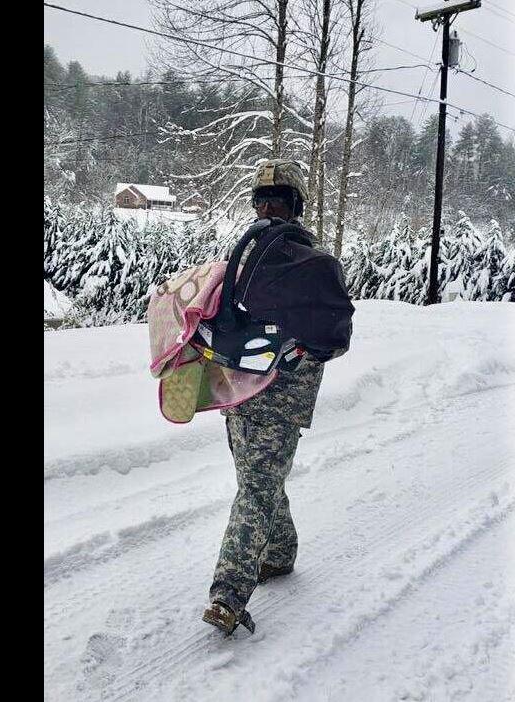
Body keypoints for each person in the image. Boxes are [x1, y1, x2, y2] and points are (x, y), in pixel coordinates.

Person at [202, 159, 349, 636]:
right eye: (263, 200)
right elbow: (335, 339)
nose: (267, 208)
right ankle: (281, 553)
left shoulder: (252, 258)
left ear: (288, 205)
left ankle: (228, 594)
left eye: (273, 200)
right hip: (256, 396)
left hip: (254, 395)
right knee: (260, 484)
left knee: (256, 488)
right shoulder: (300, 261)